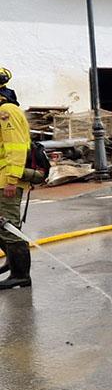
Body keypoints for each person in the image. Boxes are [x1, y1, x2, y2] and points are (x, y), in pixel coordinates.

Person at [0, 73, 32, 289]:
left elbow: (17, 148)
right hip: (2, 177)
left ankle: (21, 274)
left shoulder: (7, 111)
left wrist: (12, 180)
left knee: (9, 226)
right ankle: (13, 262)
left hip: (8, 179)